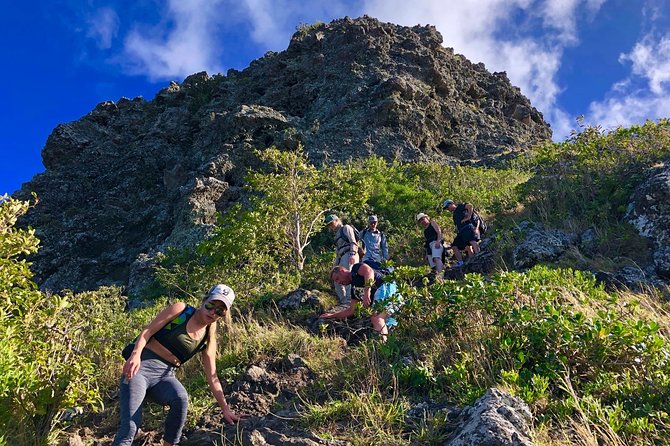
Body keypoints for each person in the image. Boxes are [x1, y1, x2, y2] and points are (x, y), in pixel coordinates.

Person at [112, 284, 245, 446]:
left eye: (220, 311)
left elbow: (212, 376)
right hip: (140, 368)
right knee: (130, 427)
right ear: (204, 300)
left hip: (164, 378)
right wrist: (135, 355)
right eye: (211, 305)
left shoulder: (208, 337)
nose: (213, 312)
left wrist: (225, 409)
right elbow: (147, 332)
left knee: (181, 399)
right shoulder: (181, 311)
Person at [320, 263, 400, 343]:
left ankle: (383, 346)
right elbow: (351, 310)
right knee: (388, 322)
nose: (338, 283)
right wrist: (332, 316)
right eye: (336, 281)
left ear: (342, 271)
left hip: (385, 287)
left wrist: (367, 292)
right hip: (385, 294)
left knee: (376, 317)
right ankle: (392, 344)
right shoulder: (354, 290)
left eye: (337, 278)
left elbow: (369, 271)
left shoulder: (356, 268)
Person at [325, 214, 360, 305]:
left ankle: (349, 300)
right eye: (329, 225)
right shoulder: (336, 234)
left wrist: (352, 254)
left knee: (347, 276)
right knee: (336, 279)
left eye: (331, 223)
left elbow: (353, 242)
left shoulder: (346, 228)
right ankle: (343, 301)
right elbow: (338, 250)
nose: (331, 226)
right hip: (341, 257)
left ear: (337, 220)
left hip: (349, 254)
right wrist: (336, 264)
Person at [443, 199, 481, 267]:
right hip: (461, 231)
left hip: (467, 227)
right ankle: (462, 263)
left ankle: (478, 256)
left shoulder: (459, 207)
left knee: (472, 241)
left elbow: (470, 206)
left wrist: (469, 217)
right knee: (455, 245)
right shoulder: (454, 215)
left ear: (451, 204)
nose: (447, 209)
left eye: (447, 207)